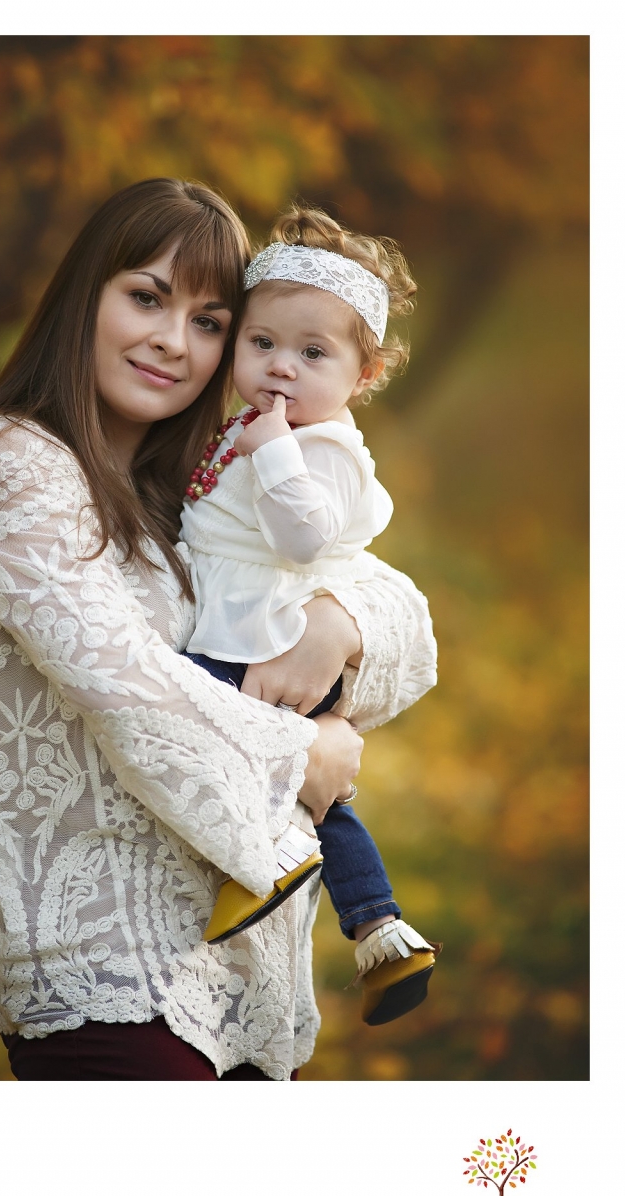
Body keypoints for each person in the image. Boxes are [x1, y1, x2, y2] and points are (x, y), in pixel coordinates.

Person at [0, 177, 437, 1081]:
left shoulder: (182, 487)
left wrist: (337, 624)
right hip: (113, 979)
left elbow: (407, 623)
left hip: (246, 995)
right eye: (146, 297)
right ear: (84, 297)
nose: (172, 342)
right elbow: (129, 691)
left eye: (211, 321)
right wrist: (308, 755)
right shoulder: (8, 465)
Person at [180, 207, 440, 1024]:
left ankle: (260, 864)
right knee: (321, 797)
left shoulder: (319, 445)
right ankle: (379, 928)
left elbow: (305, 540)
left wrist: (275, 450)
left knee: (204, 723)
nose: (282, 369)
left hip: (266, 634)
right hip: (247, 619)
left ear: (364, 376)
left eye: (313, 353)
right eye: (263, 345)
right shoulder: (260, 428)